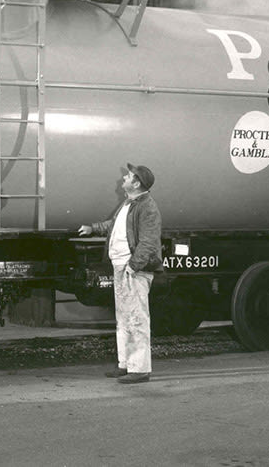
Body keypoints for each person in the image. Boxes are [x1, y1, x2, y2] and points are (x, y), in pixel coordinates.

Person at [77, 163, 163, 384]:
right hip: (121, 267)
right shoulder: (129, 203)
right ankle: (125, 364)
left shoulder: (147, 207)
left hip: (133, 269)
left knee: (136, 318)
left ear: (136, 183)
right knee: (123, 318)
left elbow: (149, 241)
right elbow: (114, 225)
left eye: (128, 176)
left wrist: (134, 266)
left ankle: (140, 369)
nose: (123, 178)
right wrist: (92, 228)